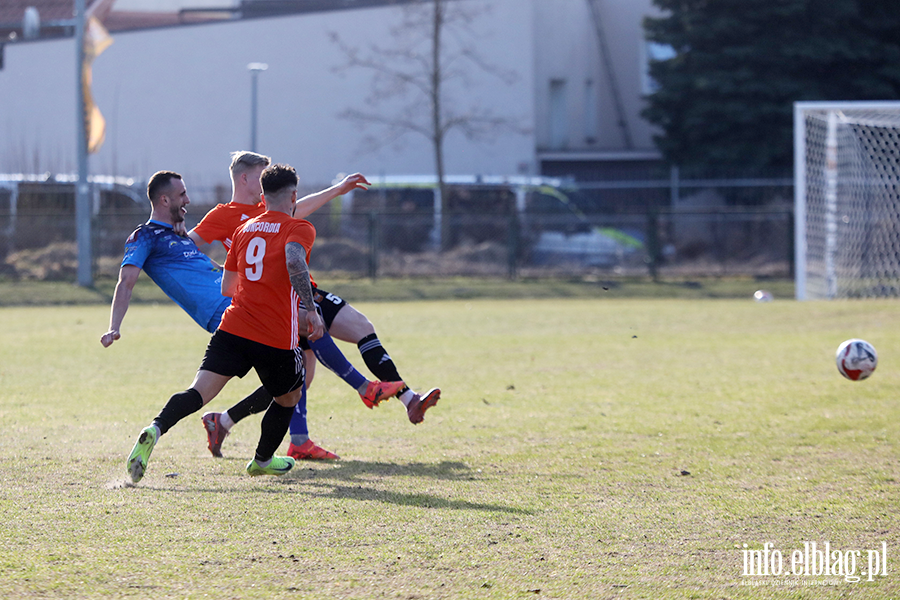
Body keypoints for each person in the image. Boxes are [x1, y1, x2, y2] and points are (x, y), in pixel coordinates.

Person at [101, 170, 399, 460]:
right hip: (231, 309)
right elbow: (125, 281)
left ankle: (189, 425)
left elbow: (291, 211)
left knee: (293, 374)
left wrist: (337, 190)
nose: (189, 199)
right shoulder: (145, 236)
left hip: (234, 312)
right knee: (306, 332)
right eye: (182, 194)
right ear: (164, 200)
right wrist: (114, 326)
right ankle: (363, 388)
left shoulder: (181, 235)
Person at [188, 151, 440, 458]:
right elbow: (188, 246)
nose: (266, 179)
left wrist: (337, 189)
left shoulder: (268, 206)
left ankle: (230, 422)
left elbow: (298, 207)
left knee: (352, 335)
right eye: (260, 173)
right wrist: (226, 272)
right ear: (244, 178)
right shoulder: (223, 216)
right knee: (300, 364)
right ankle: (363, 391)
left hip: (301, 289)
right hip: (271, 303)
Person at [126, 163, 325, 482]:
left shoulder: (243, 231)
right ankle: (262, 459)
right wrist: (310, 307)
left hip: (232, 328)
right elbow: (294, 260)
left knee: (198, 393)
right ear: (293, 196)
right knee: (289, 396)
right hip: (274, 335)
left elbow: (227, 288)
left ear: (263, 196)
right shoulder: (298, 228)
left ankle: (155, 427)